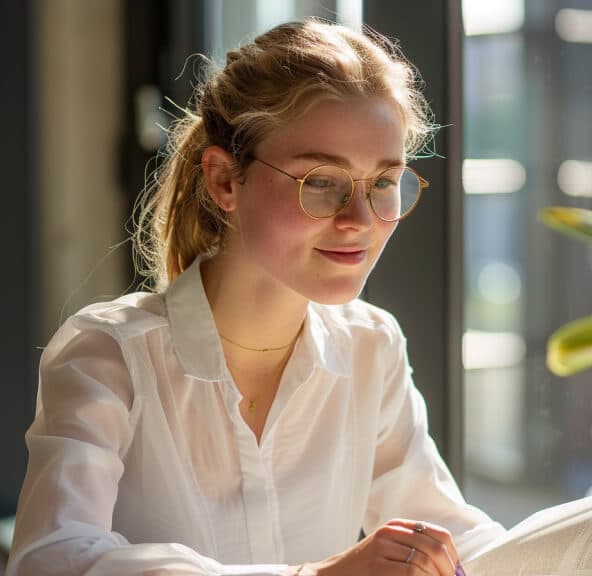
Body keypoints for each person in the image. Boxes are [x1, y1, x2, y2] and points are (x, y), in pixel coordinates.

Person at [7, 19, 506, 576]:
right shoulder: (109, 355)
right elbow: (49, 560)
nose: (361, 221)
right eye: (320, 180)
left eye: (384, 183)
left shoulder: (372, 345)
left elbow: (456, 541)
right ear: (224, 180)